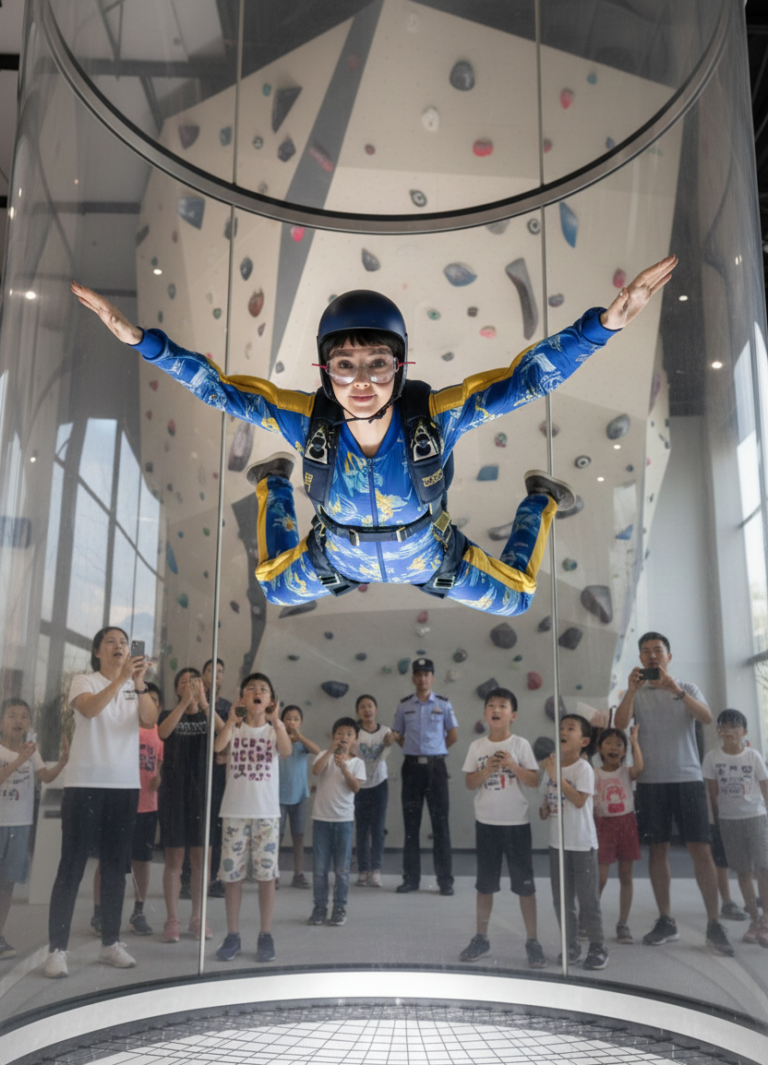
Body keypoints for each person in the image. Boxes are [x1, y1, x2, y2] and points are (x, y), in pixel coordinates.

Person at [71, 257, 676, 617]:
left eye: (377, 364)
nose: (361, 381)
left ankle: (540, 498)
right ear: (325, 370)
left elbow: (525, 380)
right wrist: (138, 341)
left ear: (401, 367)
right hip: (337, 551)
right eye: (345, 366)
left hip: (427, 554)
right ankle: (273, 487)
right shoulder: (305, 421)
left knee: (517, 598)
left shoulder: (435, 417)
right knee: (274, 587)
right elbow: (219, 388)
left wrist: (604, 325)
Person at [44, 627, 158, 978]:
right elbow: (91, 710)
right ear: (97, 651)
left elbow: (150, 720)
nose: (120, 647)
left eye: (124, 643)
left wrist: (137, 683)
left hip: (124, 788)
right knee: (72, 867)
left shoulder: (135, 687)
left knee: (114, 867)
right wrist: (120, 679)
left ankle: (110, 943)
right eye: (112, 642)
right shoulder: (84, 681)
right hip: (85, 784)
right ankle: (57, 950)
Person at [614, 631, 734, 956]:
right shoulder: (636, 692)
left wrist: (676, 691)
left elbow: (708, 718)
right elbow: (620, 724)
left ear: (669, 656)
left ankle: (713, 923)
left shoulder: (687, 688)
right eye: (646, 652)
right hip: (651, 782)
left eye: (658, 650)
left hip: (688, 779)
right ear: (640, 659)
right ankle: (666, 919)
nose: (652, 656)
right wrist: (631, 691)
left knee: (700, 850)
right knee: (658, 851)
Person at [459, 687, 544, 968]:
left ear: (513, 715)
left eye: (503, 706)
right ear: (485, 713)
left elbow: (533, 781)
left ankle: (533, 941)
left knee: (525, 887)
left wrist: (511, 764)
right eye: (491, 705)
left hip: (517, 825)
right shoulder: (477, 747)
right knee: (485, 886)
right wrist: (488, 770)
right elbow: (470, 783)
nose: (496, 709)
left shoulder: (520, 745)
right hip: (487, 825)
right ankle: (481, 938)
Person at [214, 672, 291, 963]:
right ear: (243, 698)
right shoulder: (235, 728)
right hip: (235, 812)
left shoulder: (274, 730)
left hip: (266, 814)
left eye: (263, 690)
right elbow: (218, 747)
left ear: (270, 700)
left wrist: (277, 721)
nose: (257, 692)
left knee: (266, 877)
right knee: (232, 878)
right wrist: (232, 721)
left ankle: (265, 934)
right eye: (251, 689)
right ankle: (233, 935)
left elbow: (285, 751)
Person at [158, 667, 225, 944]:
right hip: (174, 793)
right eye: (184, 683)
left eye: (195, 683)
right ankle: (172, 919)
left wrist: (205, 705)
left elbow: (225, 733)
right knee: (175, 858)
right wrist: (185, 703)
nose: (190, 686)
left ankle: (198, 918)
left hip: (203, 794)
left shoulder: (209, 716)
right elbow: (162, 733)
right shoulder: (167, 715)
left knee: (201, 859)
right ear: (177, 689)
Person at [0, 699, 68, 958]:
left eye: (24, 717)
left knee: (7, 884)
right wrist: (19, 760)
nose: (18, 721)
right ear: (1, 722)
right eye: (12, 716)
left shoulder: (31, 750)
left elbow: (46, 777)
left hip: (20, 823)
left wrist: (63, 761)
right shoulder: (13, 751)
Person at [540, 714, 608, 971]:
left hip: (581, 844)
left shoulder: (583, 768)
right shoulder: (551, 765)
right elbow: (548, 802)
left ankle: (598, 947)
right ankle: (571, 946)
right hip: (556, 844)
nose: (564, 732)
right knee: (562, 899)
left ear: (584, 740)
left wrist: (556, 776)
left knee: (588, 899)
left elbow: (580, 801)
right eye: (561, 728)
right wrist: (545, 809)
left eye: (571, 728)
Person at [392, 658, 458, 895]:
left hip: (435, 770)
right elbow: (397, 734)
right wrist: (409, 747)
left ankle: (445, 882)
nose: (422, 678)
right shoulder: (404, 707)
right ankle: (411, 879)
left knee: (441, 825)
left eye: (426, 674)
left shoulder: (443, 704)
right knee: (411, 826)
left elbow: (453, 734)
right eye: (418, 674)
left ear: (432, 678)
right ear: (413, 678)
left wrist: (436, 753)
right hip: (411, 769)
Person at [702, 709, 768, 946]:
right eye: (724, 727)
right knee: (742, 871)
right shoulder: (712, 758)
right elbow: (713, 794)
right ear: (719, 731)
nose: (729, 732)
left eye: (734, 728)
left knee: (763, 868)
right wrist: (718, 820)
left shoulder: (753, 756)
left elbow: (764, 787)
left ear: (745, 732)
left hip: (755, 816)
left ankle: (766, 920)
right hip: (729, 820)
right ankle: (754, 919)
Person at [308, 717, 366, 927]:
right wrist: (331, 751)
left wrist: (345, 769)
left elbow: (355, 787)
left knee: (342, 870)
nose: (344, 738)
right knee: (319, 869)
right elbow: (316, 770)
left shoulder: (357, 763)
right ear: (333, 736)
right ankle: (320, 907)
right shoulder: (324, 755)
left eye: (349, 735)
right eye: (340, 734)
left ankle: (340, 907)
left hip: (343, 822)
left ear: (356, 739)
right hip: (322, 820)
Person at [594, 726, 644, 944]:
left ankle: (623, 923)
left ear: (624, 751)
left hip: (626, 824)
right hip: (602, 825)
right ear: (600, 749)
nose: (613, 748)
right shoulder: (594, 773)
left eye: (618, 745)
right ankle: (588, 917)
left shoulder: (626, 772)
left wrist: (634, 741)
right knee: (600, 878)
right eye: (608, 743)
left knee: (626, 876)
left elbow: (639, 768)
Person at [127, 681, 164, 936]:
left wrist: (159, 777)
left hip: (147, 805)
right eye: (143, 698)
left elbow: (159, 765)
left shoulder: (160, 733)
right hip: (123, 803)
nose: (147, 704)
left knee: (142, 860)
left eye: (153, 700)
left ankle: (138, 911)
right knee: (112, 859)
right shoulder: (126, 729)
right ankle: (100, 912)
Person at [354, 694, 394, 887]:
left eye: (370, 706)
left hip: (379, 784)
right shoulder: (354, 732)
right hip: (359, 785)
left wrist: (389, 742)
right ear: (358, 712)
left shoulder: (386, 731)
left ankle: (376, 870)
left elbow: (384, 755)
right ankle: (363, 870)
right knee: (361, 828)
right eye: (362, 707)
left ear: (376, 709)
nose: (367, 710)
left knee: (378, 828)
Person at [278, 704, 320, 888]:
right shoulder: (277, 739)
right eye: (288, 718)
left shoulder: (302, 744)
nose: (292, 722)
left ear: (300, 721)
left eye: (296, 719)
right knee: (276, 837)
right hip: (277, 797)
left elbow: (318, 751)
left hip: (299, 796)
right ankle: (273, 874)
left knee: (299, 836)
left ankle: (298, 874)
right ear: (282, 720)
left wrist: (300, 736)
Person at [203, 658, 232, 900]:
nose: (216, 675)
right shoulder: (192, 702)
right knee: (199, 826)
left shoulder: (227, 707)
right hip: (197, 769)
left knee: (217, 826)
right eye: (211, 670)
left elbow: (231, 737)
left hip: (221, 773)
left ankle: (215, 878)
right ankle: (188, 878)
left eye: (220, 671)